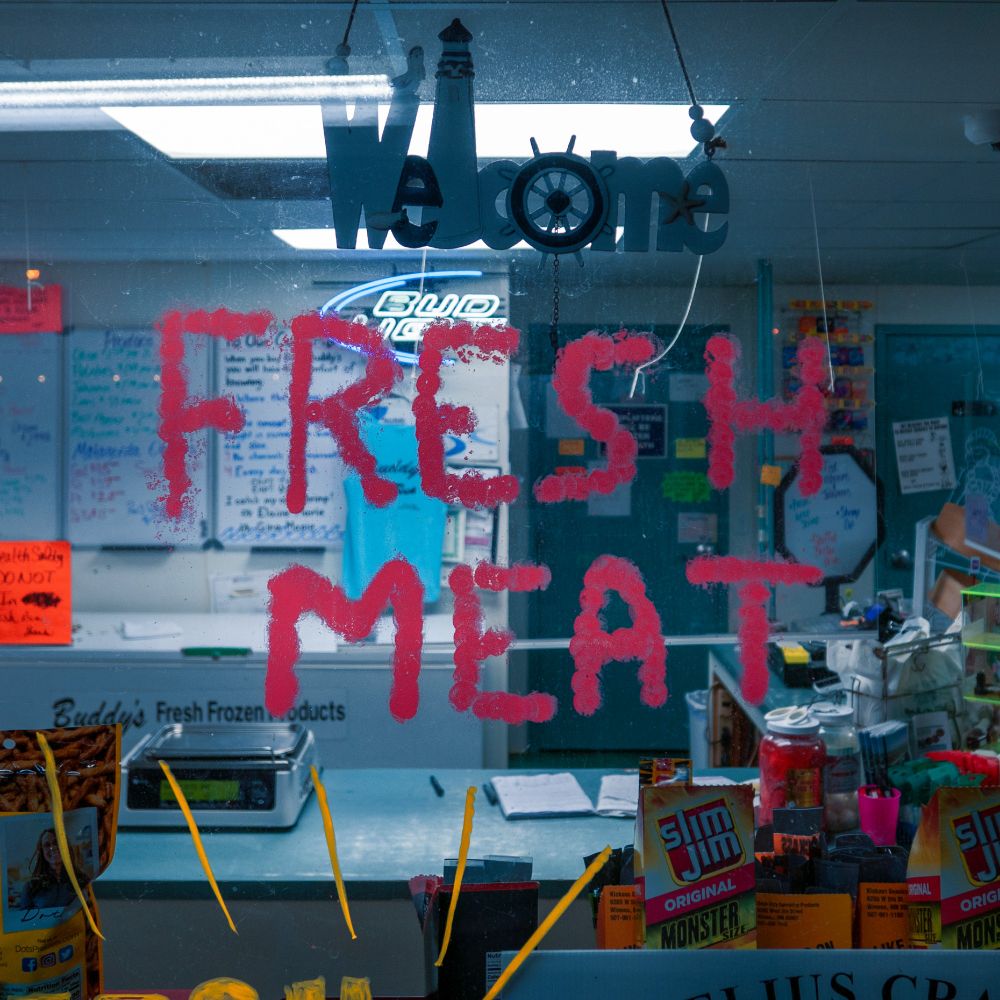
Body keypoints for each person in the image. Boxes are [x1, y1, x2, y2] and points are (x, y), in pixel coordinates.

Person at [18, 828, 77, 910]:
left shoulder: (82, 882)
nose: (52, 848)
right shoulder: (30, 887)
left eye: (56, 843)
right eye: (47, 845)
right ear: (42, 852)